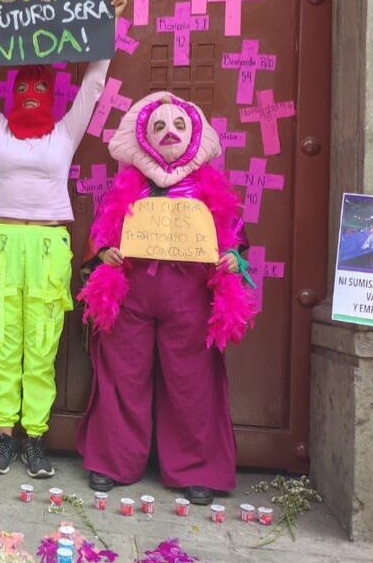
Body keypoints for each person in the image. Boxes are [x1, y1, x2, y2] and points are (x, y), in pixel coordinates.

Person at [0, 0, 127, 479]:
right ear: (12, 94)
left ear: (49, 97)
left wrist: (107, 24)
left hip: (48, 243)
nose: (30, 97)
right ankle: (6, 434)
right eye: (23, 90)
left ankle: (36, 437)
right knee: (2, 338)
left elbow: (93, 85)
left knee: (42, 341)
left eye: (39, 91)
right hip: (2, 240)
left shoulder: (64, 133)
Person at [75, 92, 258, 506]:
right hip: (131, 293)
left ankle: (196, 470)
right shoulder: (126, 186)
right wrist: (103, 251)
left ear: (194, 136)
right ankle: (112, 461)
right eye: (159, 126)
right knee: (122, 374)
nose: (169, 132)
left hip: (189, 294)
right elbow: (100, 233)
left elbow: (233, 236)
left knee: (192, 382)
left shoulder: (209, 187)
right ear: (144, 138)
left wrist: (231, 257)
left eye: (178, 126)